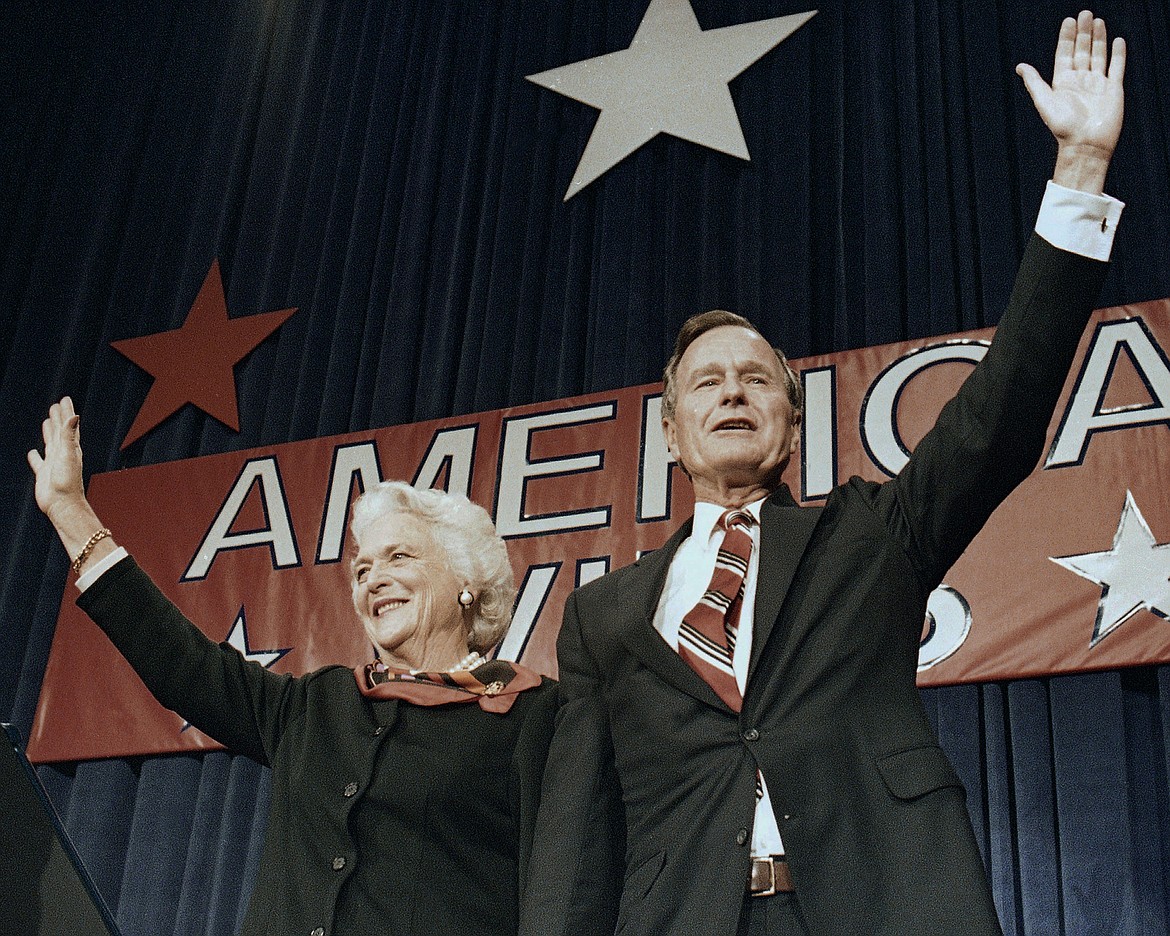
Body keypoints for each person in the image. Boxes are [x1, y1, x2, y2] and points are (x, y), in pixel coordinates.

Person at [530, 11, 1126, 936]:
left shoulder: (868, 536)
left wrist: (1079, 171)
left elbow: (1000, 413)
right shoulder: (602, 617)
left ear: (791, 422)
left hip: (879, 905)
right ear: (673, 434)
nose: (733, 393)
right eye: (707, 384)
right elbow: (574, 838)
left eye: (756, 379)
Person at [27, 399, 558, 936]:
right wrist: (72, 511)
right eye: (362, 569)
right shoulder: (313, 707)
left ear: (466, 581)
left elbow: (565, 885)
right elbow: (178, 662)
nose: (373, 579)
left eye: (400, 558)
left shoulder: (532, 714)